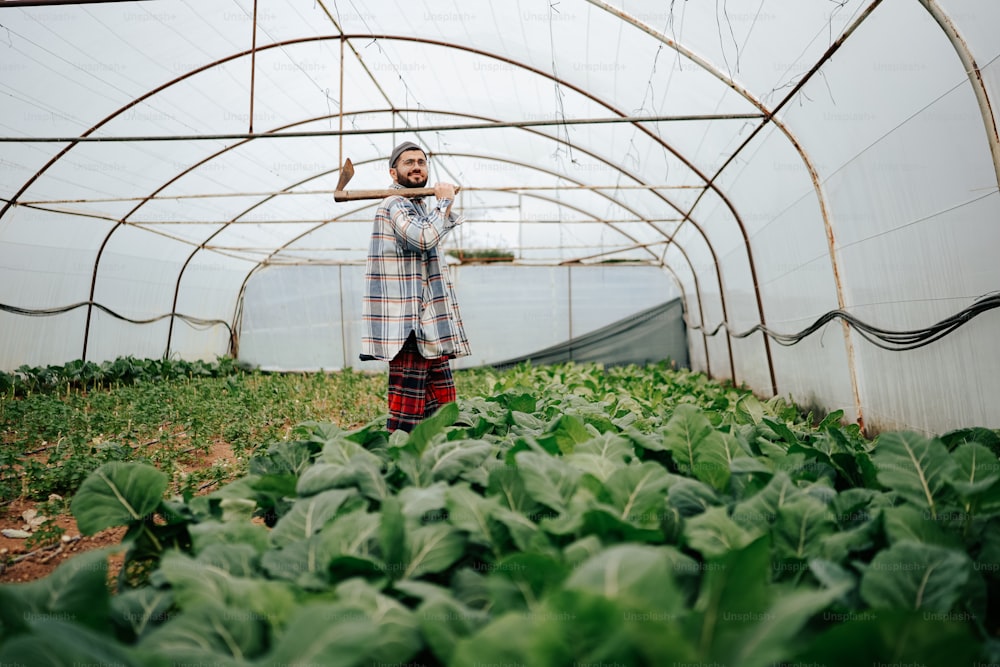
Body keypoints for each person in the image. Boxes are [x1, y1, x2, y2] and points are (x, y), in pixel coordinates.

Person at [360, 140, 471, 432]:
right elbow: (422, 238)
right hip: (407, 322)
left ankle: (443, 450)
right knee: (406, 412)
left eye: (421, 162)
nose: (417, 167)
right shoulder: (394, 203)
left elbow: (432, 234)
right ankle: (397, 461)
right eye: (409, 162)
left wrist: (440, 209)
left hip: (427, 321)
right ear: (393, 174)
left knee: (443, 403)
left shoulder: (417, 206)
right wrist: (444, 204)